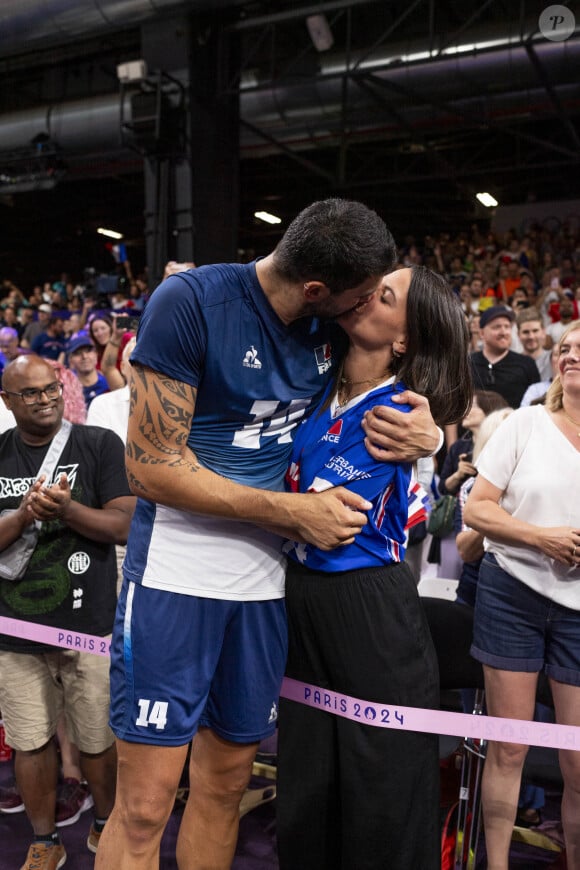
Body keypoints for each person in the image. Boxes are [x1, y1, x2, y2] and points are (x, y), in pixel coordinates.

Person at [96, 198, 442, 870]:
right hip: (176, 572)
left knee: (225, 788)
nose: (369, 303)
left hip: (266, 587)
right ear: (318, 289)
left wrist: (428, 436)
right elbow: (152, 470)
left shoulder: (332, 325)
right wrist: (290, 513)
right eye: (363, 294)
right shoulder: (192, 301)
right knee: (144, 805)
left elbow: (408, 361)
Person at [276, 265, 472, 870]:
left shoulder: (405, 412)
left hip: (370, 607)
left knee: (380, 785)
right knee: (308, 780)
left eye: (386, 296)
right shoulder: (313, 378)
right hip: (298, 598)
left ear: (406, 337)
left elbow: (452, 410)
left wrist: (436, 438)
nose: (366, 295)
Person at [0, 354, 135, 870]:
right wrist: (24, 516)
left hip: (89, 623)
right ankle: (45, 840)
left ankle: (107, 825)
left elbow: (124, 524)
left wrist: (68, 510)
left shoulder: (98, 444)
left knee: (98, 739)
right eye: (29, 393)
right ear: (9, 402)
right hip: (15, 630)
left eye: (50, 387)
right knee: (30, 741)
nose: (45, 398)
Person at [464, 320, 580, 870]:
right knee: (509, 747)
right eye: (566, 348)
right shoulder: (525, 424)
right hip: (513, 593)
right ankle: (498, 864)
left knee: (577, 761)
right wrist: (542, 538)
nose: (571, 354)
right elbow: (476, 509)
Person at [470, 305, 540, 408]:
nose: (503, 332)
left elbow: (536, 405)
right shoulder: (467, 364)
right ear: (481, 333)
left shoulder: (526, 364)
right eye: (497, 327)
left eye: (507, 327)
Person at [67, 335, 109, 409]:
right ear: (70, 360)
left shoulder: (109, 383)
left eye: (88, 351)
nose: (84, 356)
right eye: (78, 353)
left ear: (96, 354)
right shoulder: (68, 391)